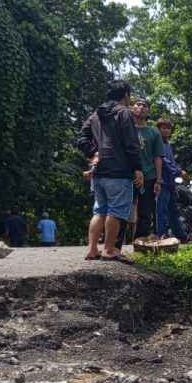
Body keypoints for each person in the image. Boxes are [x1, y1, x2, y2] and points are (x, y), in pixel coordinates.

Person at [76, 80, 144, 263]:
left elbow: (81, 138)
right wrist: (137, 168)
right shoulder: (124, 113)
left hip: (99, 171)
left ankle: (92, 250)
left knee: (100, 210)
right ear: (126, 95)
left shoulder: (95, 115)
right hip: (119, 170)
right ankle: (109, 249)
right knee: (115, 211)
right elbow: (131, 143)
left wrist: (93, 154)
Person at [131, 98, 164, 242]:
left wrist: (158, 180)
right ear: (132, 107)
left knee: (145, 212)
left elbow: (158, 157)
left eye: (145, 105)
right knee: (121, 209)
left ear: (148, 111)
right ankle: (115, 244)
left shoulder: (154, 132)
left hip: (149, 176)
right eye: (138, 104)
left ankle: (140, 243)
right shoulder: (125, 128)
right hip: (127, 175)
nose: (141, 107)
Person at [154, 118, 188, 242]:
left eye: (168, 128)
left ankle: (181, 235)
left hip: (170, 181)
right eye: (163, 128)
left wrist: (178, 172)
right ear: (158, 129)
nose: (166, 130)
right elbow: (163, 161)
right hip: (161, 181)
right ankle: (161, 235)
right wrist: (179, 171)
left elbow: (172, 161)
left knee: (173, 210)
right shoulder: (157, 143)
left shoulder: (168, 144)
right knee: (161, 209)